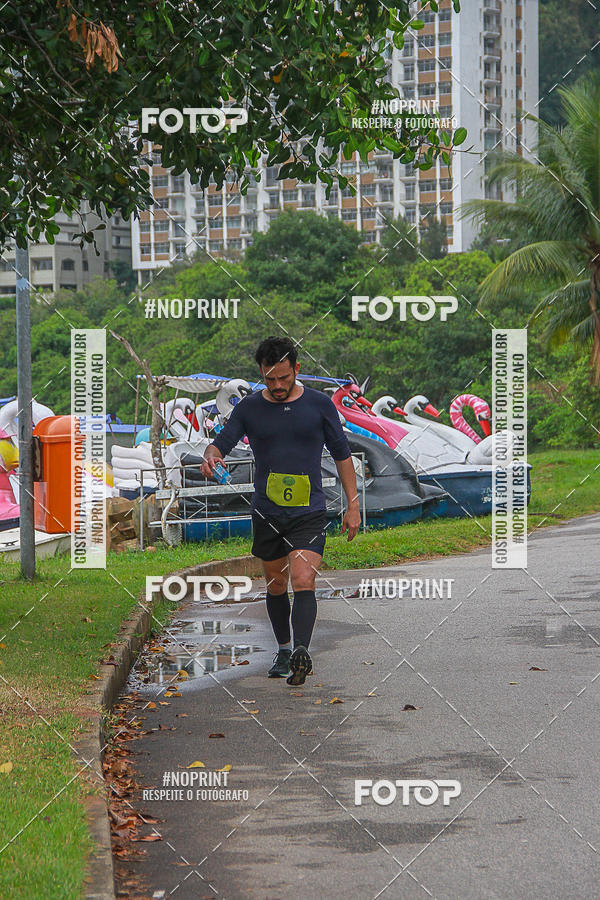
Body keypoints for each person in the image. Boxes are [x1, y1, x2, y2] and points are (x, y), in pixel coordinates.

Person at [200, 336, 361, 685]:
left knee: (304, 579)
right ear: (261, 373)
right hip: (267, 513)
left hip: (309, 510)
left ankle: (301, 650)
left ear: (297, 370)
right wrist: (211, 454)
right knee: (276, 584)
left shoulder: (319, 405)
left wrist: (353, 505)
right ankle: (285, 648)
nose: (277, 386)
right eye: (269, 379)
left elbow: (342, 455)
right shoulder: (250, 408)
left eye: (284, 379)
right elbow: (223, 441)